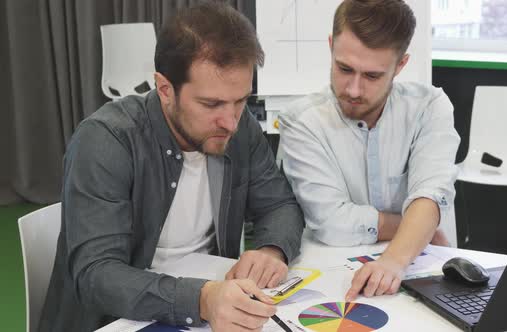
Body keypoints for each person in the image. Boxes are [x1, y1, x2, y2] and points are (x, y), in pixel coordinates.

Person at [40, 2, 305, 331]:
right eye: (211, 104)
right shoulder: (106, 140)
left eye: (241, 100)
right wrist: (202, 300)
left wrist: (271, 250)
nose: (231, 122)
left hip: (199, 305)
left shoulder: (240, 126)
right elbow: (97, 274)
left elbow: (278, 203)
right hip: (116, 319)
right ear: (165, 89)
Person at [279, 0, 460, 302]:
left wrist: (393, 260)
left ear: (400, 65)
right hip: (329, 276)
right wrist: (417, 228)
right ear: (330, 47)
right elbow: (331, 222)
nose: (353, 89)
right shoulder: (301, 121)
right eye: (344, 68)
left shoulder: (430, 107)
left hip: (414, 269)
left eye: (372, 76)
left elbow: (431, 193)